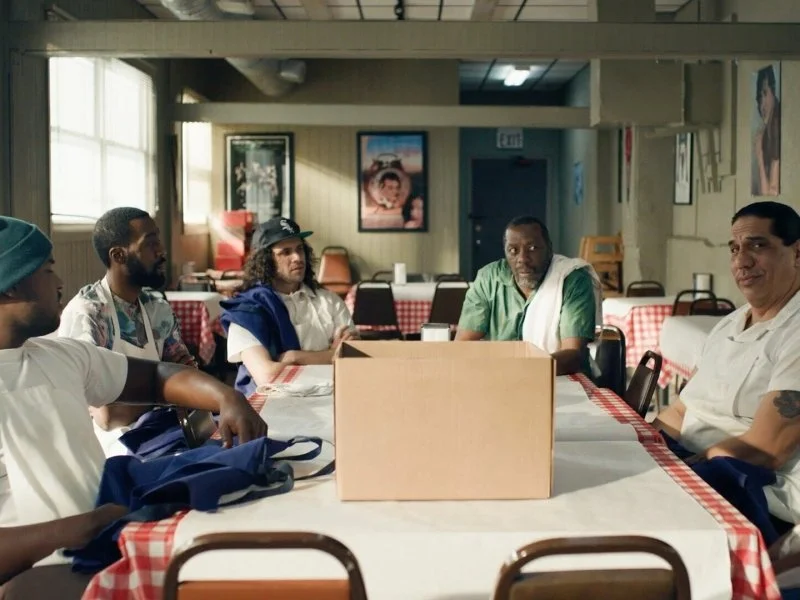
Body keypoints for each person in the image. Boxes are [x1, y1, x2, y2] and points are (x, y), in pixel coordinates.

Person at [0, 216, 266, 598]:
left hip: (105, 543)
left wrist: (227, 397)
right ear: (10, 285)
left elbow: (156, 376)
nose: (59, 282)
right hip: (41, 575)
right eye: (47, 270)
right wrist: (82, 528)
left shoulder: (59, 356)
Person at [653, 201, 800, 546]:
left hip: (753, 486)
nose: (742, 261)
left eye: (758, 245)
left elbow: (766, 448)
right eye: (734, 249)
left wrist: (674, 472)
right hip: (696, 461)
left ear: (797, 253)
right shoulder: (730, 323)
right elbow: (680, 410)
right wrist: (642, 446)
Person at [58, 207, 197, 457]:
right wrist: (170, 391)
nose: (162, 251)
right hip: (109, 447)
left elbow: (187, 376)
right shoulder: (89, 314)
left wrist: (173, 389)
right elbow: (107, 417)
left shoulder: (157, 308)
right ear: (118, 255)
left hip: (158, 430)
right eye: (150, 243)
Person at [221, 217, 357, 394]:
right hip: (272, 403)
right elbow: (268, 376)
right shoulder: (247, 310)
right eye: (285, 252)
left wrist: (293, 357)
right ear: (265, 260)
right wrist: (331, 354)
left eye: (300, 249)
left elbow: (352, 356)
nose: (298, 258)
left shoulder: (330, 301)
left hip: (328, 395)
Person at [456, 216, 601, 375]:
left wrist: (521, 371)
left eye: (532, 248)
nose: (522, 259)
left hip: (562, 379)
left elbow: (573, 354)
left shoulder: (572, 279)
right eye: (513, 250)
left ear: (549, 249)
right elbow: (463, 345)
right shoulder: (488, 279)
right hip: (500, 377)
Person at [754, 65, 781, 196]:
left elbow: (770, 194)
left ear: (773, 92)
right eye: (760, 97)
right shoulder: (767, 132)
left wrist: (759, 156)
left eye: (765, 93)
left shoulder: (777, 128)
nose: (762, 104)